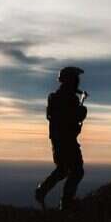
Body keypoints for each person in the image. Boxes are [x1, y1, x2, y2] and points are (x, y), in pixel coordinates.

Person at [35, 66, 88, 211]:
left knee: (63, 169)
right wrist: (81, 112)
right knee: (76, 171)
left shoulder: (61, 96)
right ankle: (65, 203)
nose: (77, 82)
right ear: (70, 80)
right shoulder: (67, 98)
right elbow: (69, 118)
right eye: (75, 79)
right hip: (66, 140)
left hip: (60, 140)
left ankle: (42, 191)